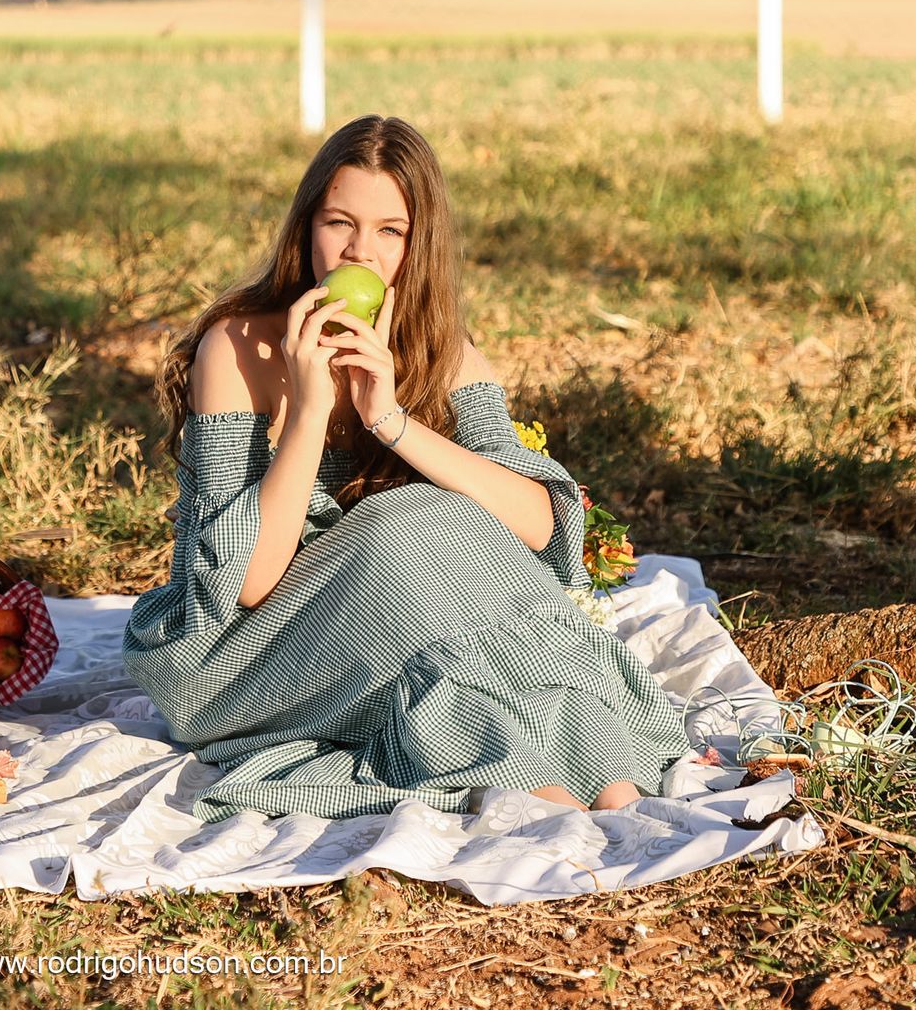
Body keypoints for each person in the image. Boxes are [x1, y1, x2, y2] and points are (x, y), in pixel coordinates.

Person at [122, 114, 693, 822]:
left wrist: (390, 420)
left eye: (390, 231)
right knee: (408, 524)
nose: (361, 253)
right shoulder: (240, 347)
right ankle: (532, 783)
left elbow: (540, 525)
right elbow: (246, 584)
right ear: (306, 228)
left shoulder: (439, 346)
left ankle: (605, 775)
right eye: (340, 223)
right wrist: (308, 408)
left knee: (450, 525)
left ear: (418, 243)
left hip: (411, 616)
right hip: (258, 654)